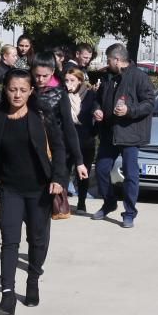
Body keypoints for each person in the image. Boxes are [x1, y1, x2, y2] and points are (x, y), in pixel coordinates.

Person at [0, 69, 67, 315]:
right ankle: (7, 294)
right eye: (13, 89)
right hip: (10, 190)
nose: (17, 94)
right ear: (5, 89)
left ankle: (33, 279)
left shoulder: (41, 116)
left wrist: (58, 178)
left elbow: (58, 147)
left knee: (37, 241)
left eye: (23, 90)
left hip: (39, 191)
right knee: (9, 242)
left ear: (31, 91)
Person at [92, 43, 155, 229]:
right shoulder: (107, 77)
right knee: (102, 170)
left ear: (117, 60)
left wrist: (129, 110)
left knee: (130, 174)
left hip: (130, 135)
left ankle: (129, 213)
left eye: (109, 59)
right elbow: (97, 100)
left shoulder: (139, 77)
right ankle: (109, 203)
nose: (107, 62)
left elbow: (149, 103)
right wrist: (97, 110)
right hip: (108, 134)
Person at [29, 52, 86, 197]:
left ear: (52, 72)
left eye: (44, 76)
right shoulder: (27, 89)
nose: (40, 79)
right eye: (37, 75)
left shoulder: (60, 94)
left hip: (52, 151)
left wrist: (79, 160)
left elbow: (69, 128)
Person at [64, 67, 98, 213]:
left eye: (72, 80)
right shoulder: (62, 95)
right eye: (66, 80)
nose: (68, 83)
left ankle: (81, 202)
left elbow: (96, 111)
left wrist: (93, 133)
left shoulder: (90, 95)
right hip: (66, 140)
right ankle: (61, 203)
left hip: (85, 140)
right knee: (63, 172)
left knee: (83, 174)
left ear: (80, 81)